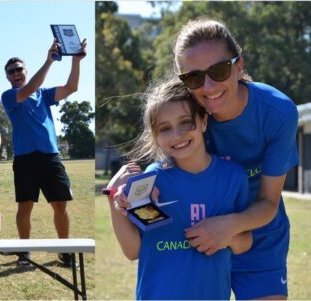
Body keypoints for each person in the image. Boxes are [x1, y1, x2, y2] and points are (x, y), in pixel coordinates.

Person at [170, 19, 297, 300]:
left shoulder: (278, 113)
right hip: (201, 240)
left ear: (239, 65)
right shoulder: (183, 114)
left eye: (218, 69)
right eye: (193, 78)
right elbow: (165, 176)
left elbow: (269, 203)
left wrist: (230, 226)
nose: (208, 86)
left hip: (262, 237)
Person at [107, 78, 252, 299]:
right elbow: (133, 251)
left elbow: (245, 243)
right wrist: (113, 197)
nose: (177, 135)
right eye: (165, 128)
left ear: (203, 121)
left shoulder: (234, 177)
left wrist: (225, 235)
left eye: (185, 122)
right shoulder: (151, 180)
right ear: (155, 136)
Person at [0, 37, 87, 267]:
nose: (16, 73)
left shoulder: (45, 95)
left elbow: (72, 87)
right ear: (7, 77)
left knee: (60, 204)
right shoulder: (9, 96)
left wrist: (76, 60)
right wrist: (48, 62)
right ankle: (24, 251)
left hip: (50, 157)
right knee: (25, 206)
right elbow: (28, 89)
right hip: (25, 159)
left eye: (19, 69)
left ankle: (65, 251)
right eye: (11, 72)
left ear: (25, 70)